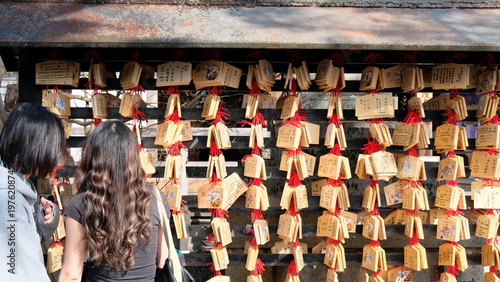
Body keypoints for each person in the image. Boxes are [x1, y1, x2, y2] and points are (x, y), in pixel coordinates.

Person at [59, 121, 169, 282]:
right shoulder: (156, 198)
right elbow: (161, 260)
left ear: (92, 156)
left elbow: (72, 275)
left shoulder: (82, 203)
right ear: (132, 155)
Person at [0, 103, 67, 281]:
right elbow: (22, 268)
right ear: (38, 147)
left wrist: (46, 223)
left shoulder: (13, 186)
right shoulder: (8, 197)